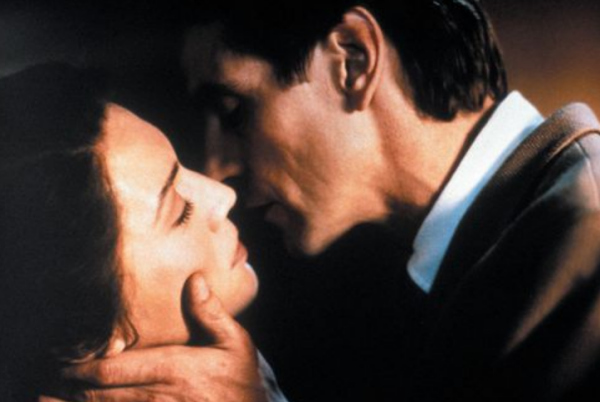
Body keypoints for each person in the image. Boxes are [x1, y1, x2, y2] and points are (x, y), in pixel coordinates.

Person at [60, 0, 600, 401]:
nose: (218, 168)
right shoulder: (467, 264)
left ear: (352, 60)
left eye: (234, 110)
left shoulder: (586, 250)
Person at [0, 63, 289, 402]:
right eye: (181, 212)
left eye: (183, 167)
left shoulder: (237, 379)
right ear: (87, 341)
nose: (225, 196)